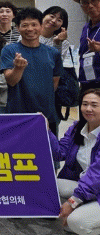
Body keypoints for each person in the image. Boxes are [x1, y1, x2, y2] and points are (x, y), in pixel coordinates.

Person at [0, 7, 62, 135]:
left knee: (48, 147)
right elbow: (11, 81)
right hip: (18, 115)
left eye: (34, 24)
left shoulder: (53, 53)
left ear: (41, 26)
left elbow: (54, 84)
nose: (30, 29)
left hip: (47, 115)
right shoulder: (9, 50)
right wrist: (18, 68)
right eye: (25, 25)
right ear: (18, 28)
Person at [49, 88, 100, 235]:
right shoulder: (77, 128)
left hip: (94, 186)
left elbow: (96, 175)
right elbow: (59, 153)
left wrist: (73, 202)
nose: (88, 109)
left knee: (76, 223)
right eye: (85, 104)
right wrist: (46, 130)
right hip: (90, 188)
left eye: (94, 105)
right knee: (50, 184)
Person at [74, 0, 100, 93]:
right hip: (86, 83)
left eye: (94, 0)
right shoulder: (86, 27)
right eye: (85, 2)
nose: (90, 6)